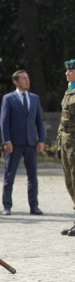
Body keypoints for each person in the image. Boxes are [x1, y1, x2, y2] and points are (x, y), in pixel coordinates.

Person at [0, 70, 45, 215]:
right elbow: (4, 121)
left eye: (27, 78)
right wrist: (7, 141)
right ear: (16, 82)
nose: (27, 81)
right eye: (24, 78)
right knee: (10, 175)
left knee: (33, 176)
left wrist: (42, 140)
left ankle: (34, 205)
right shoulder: (9, 98)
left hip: (31, 142)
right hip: (14, 143)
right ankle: (7, 205)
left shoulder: (35, 98)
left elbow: (39, 121)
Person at [59, 59, 75, 236]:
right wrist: (59, 140)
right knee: (69, 182)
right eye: (67, 71)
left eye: (71, 70)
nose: (67, 73)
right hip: (66, 142)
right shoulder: (69, 91)